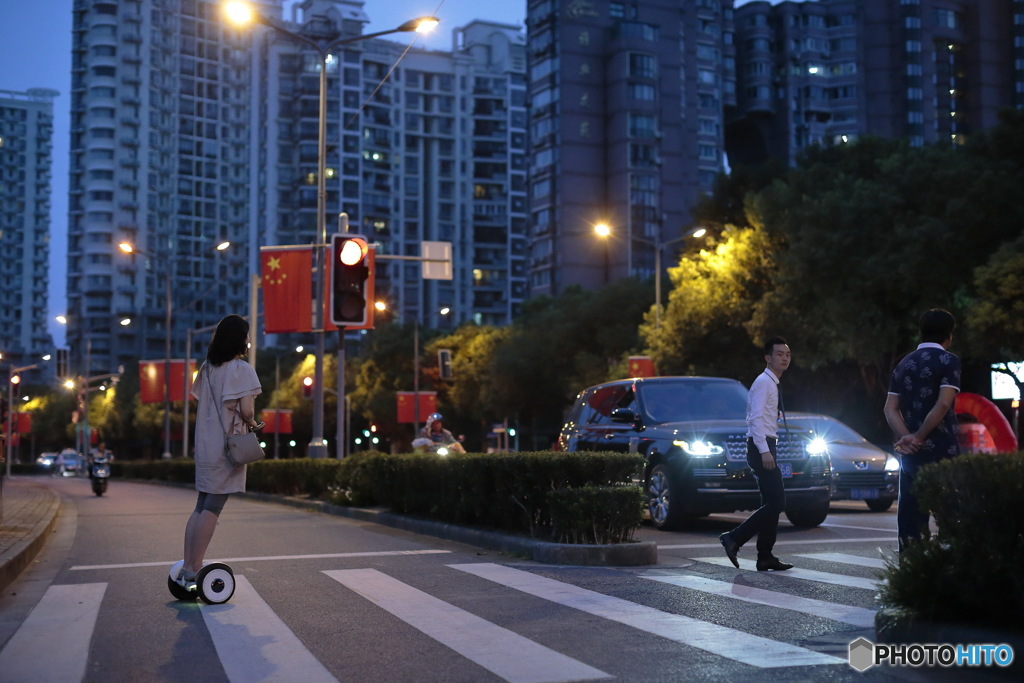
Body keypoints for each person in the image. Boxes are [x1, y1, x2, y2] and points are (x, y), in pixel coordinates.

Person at [174, 314, 262, 590]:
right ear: (241, 339)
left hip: (206, 444)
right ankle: (195, 566)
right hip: (227, 447)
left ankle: (188, 564)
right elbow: (246, 410)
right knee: (213, 507)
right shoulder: (241, 369)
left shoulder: (207, 368)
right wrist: (252, 424)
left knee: (201, 505)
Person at [883, 308, 960, 552]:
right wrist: (919, 436)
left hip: (911, 455)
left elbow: (890, 408)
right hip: (942, 451)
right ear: (949, 335)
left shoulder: (904, 362)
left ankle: (909, 576)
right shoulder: (949, 360)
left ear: (921, 332)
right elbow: (944, 403)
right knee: (951, 516)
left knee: (910, 518)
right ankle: (951, 572)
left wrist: (907, 437)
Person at [720, 336, 794, 572]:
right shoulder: (764, 382)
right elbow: (754, 419)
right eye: (779, 354)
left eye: (787, 354)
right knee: (777, 502)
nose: (784, 358)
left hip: (765, 444)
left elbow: (762, 415)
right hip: (761, 446)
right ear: (768, 358)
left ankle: (765, 556)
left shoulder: (771, 382)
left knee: (770, 502)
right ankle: (733, 538)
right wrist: (764, 450)